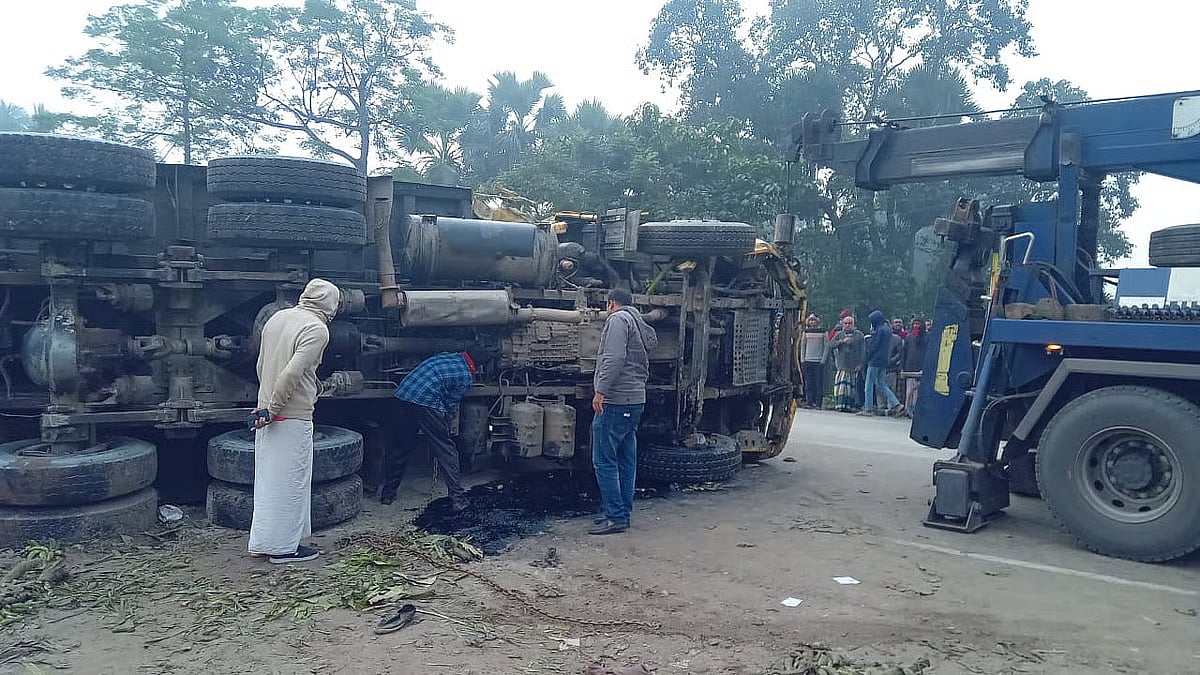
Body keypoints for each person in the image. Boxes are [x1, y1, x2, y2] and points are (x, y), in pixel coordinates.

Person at [248, 278, 340, 564]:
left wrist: (263, 406)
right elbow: (292, 373)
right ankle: (285, 550)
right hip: (292, 412)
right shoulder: (316, 329)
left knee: (268, 482)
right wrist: (274, 408)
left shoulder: (278, 318)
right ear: (331, 304)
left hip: (268, 410)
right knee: (291, 482)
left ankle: (264, 542)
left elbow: (262, 364)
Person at [590, 287, 658, 535]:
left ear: (610, 304)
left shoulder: (618, 320)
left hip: (617, 400)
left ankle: (616, 516)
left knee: (604, 459)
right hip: (635, 399)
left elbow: (614, 357)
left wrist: (600, 390)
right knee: (625, 459)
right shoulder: (638, 320)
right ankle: (622, 513)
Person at [381, 351, 477, 512]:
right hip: (426, 401)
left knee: (400, 447)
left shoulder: (446, 356)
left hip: (403, 394)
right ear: (475, 366)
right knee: (447, 450)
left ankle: (387, 494)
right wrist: (443, 424)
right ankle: (458, 498)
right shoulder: (466, 377)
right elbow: (449, 404)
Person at [861, 310, 904, 416]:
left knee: (869, 384)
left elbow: (874, 346)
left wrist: (868, 356)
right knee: (882, 383)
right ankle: (896, 404)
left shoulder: (879, 330)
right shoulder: (888, 330)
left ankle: (868, 408)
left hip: (874, 360)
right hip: (884, 360)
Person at [824, 314, 864, 412]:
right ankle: (839, 405)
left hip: (854, 365)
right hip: (842, 365)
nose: (847, 325)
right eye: (845, 323)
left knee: (851, 388)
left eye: (849, 323)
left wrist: (861, 364)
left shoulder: (859, 335)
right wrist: (842, 341)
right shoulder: (839, 334)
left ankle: (849, 406)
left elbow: (863, 351)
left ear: (853, 324)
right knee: (841, 386)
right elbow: (830, 345)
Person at [800, 314, 829, 409]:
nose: (812, 322)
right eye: (810, 320)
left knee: (818, 382)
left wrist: (823, 359)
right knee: (809, 382)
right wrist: (802, 359)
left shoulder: (823, 332)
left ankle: (818, 403)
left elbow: (826, 346)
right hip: (808, 360)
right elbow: (803, 346)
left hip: (818, 360)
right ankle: (809, 401)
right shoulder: (806, 332)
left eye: (814, 320)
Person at [901, 318, 928, 414]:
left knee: (917, 390)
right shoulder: (909, 337)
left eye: (918, 324)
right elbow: (904, 352)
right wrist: (902, 367)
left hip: (921, 367)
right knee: (909, 390)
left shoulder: (927, 337)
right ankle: (907, 408)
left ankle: (915, 409)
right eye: (914, 324)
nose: (916, 326)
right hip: (910, 367)